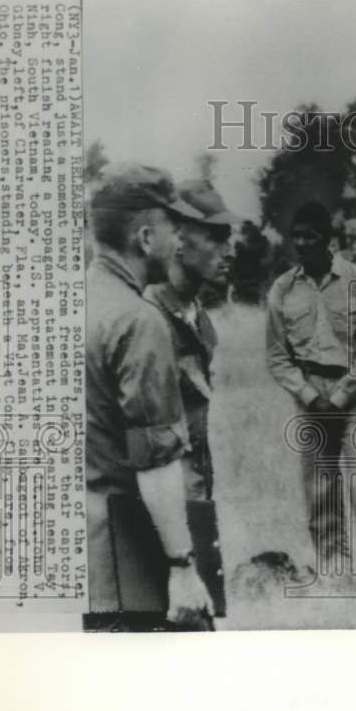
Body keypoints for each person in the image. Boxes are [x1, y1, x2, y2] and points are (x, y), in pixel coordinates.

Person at [84, 162, 214, 631]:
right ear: (143, 238)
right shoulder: (140, 321)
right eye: (172, 227)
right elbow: (155, 461)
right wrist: (182, 567)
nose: (180, 240)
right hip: (131, 571)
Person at [266, 201, 356, 571]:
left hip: (352, 394)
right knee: (319, 485)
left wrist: (337, 401)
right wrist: (310, 397)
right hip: (309, 394)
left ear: (329, 240)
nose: (302, 243)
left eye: (311, 236)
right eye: (297, 236)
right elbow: (277, 357)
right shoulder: (282, 289)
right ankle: (333, 566)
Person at [144, 179, 236, 620]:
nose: (229, 249)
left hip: (194, 499)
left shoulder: (197, 317)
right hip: (159, 518)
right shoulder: (148, 318)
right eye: (216, 237)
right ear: (179, 240)